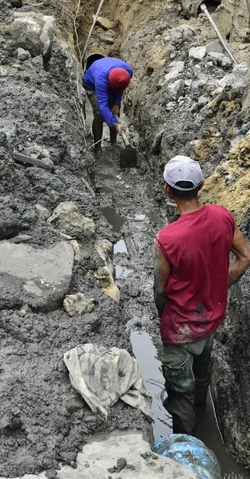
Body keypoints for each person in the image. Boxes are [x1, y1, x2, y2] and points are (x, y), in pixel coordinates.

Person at [154, 155, 250, 436]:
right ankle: (202, 414)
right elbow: (244, 257)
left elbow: (160, 290)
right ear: (202, 185)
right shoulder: (223, 216)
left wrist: (165, 319)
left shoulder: (167, 239)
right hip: (211, 320)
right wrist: (218, 287)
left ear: (167, 190)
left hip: (180, 330)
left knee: (179, 393)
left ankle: (187, 446)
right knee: (202, 374)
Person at [83, 56, 132, 155]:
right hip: (91, 85)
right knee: (99, 114)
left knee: (113, 112)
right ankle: (97, 147)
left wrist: (117, 103)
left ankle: (113, 142)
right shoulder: (100, 80)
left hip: (109, 79)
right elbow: (102, 106)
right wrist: (115, 124)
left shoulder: (128, 71)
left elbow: (120, 89)